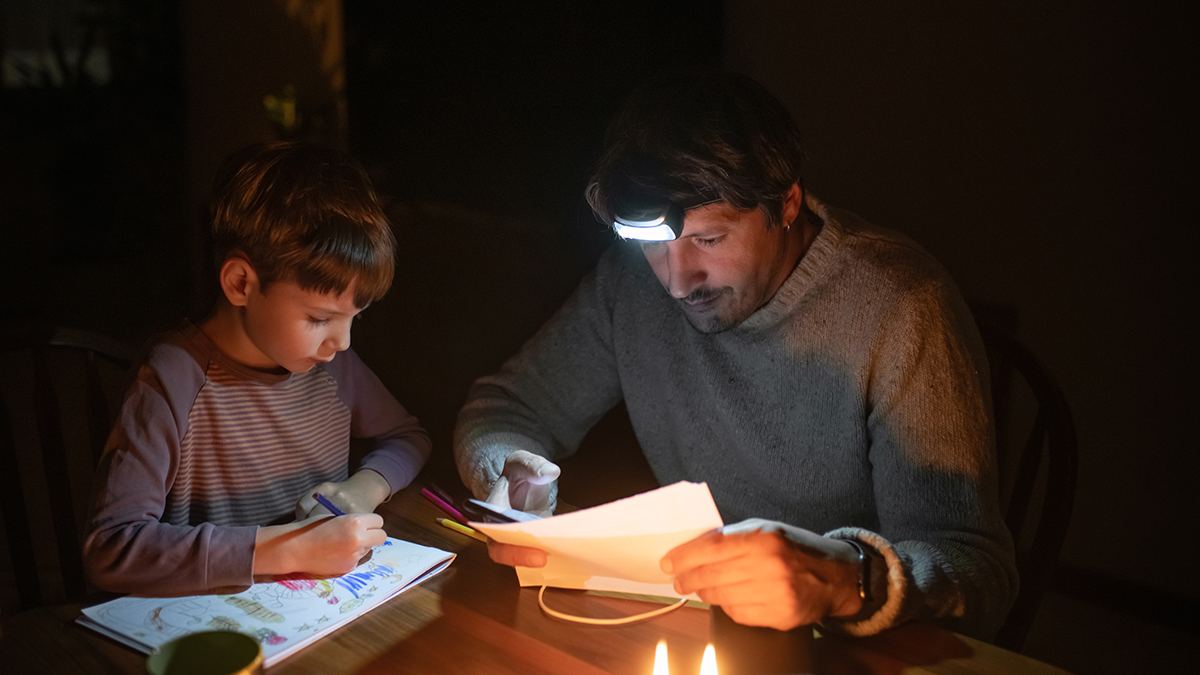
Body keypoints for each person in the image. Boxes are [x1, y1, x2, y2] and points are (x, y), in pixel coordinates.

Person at [454, 72, 1017, 639]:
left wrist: (849, 578)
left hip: (857, 650)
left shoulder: (902, 308)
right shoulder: (629, 286)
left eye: (709, 240)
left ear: (787, 202)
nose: (677, 282)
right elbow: (505, 409)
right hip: (705, 628)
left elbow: (979, 574)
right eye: (653, 245)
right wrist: (510, 476)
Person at [83, 142, 431, 595]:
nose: (342, 342)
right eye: (320, 318)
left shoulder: (335, 367)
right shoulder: (173, 378)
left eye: (355, 317)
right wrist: (289, 547)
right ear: (241, 283)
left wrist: (365, 488)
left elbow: (409, 437)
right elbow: (111, 549)